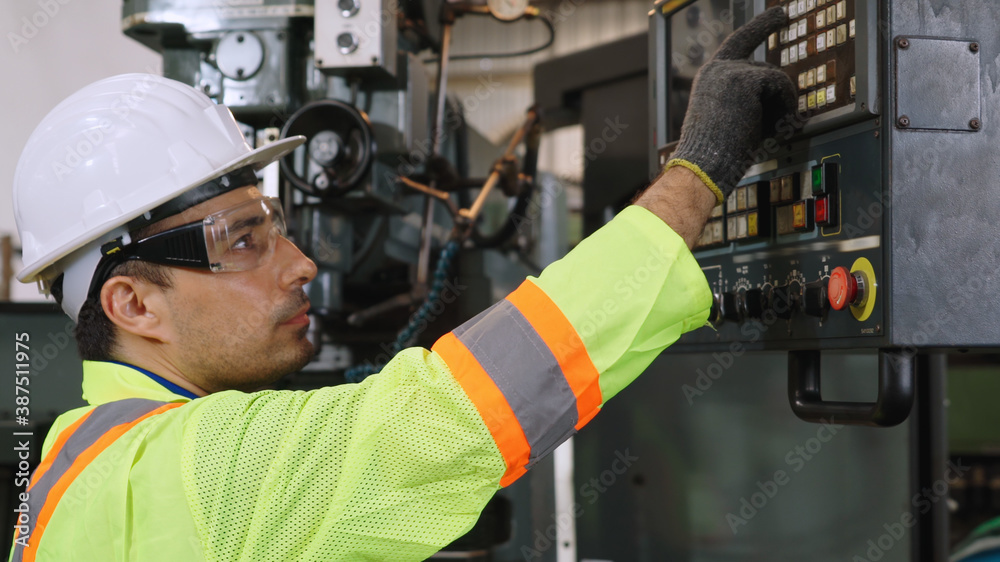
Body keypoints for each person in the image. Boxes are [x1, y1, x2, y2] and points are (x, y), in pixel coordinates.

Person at [8, 7, 795, 562]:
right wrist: (695, 178)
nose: (303, 264)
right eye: (243, 240)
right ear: (133, 304)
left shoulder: (63, 475)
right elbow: (455, 412)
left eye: (276, 223)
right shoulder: (206, 468)